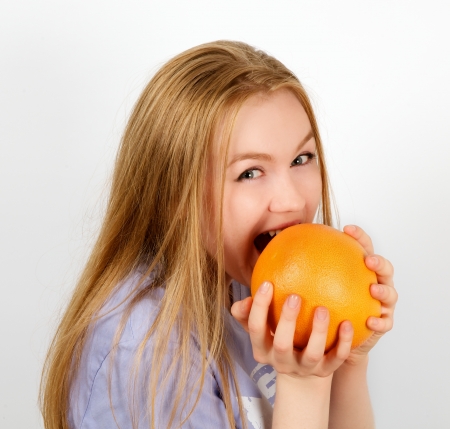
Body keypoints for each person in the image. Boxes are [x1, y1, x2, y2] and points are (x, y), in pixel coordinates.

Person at [40, 40, 397, 429]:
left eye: (301, 159)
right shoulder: (143, 351)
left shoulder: (252, 290)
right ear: (176, 196)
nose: (293, 200)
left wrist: (346, 361)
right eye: (249, 173)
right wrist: (302, 383)